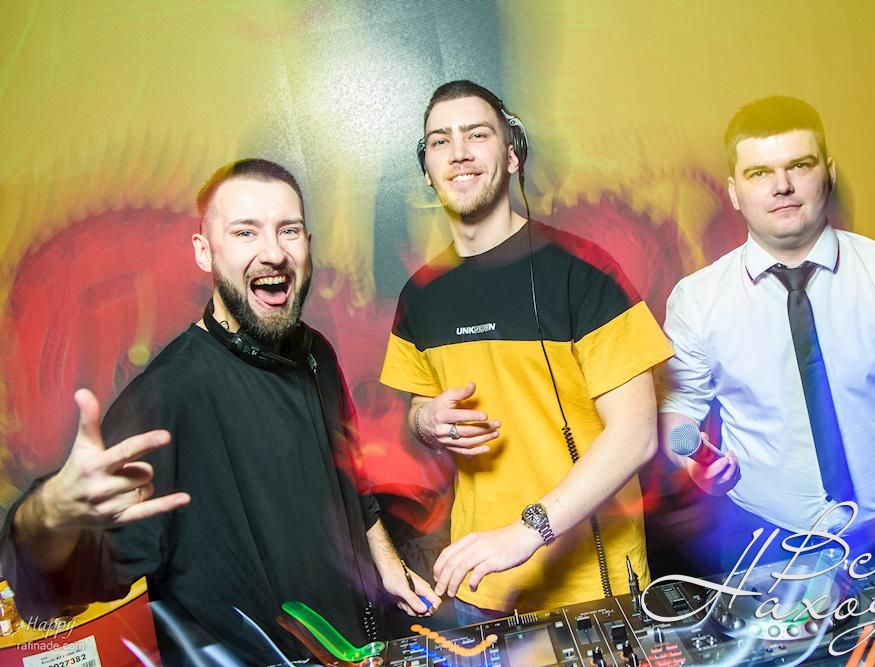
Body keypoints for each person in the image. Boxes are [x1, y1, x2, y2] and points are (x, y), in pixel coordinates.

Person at [0, 159, 439, 665]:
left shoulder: (316, 352)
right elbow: (50, 593)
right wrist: (46, 515)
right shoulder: (165, 397)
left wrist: (387, 562)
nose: (273, 252)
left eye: (288, 230)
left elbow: (352, 482)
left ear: (307, 243)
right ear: (204, 251)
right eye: (245, 232)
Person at [659, 96, 875, 570]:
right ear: (734, 192)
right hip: (758, 541)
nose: (782, 186)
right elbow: (679, 408)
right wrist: (693, 462)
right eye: (759, 172)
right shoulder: (696, 300)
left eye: (799, 165)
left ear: (829, 173)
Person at [379, 80, 673, 623]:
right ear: (427, 170)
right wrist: (427, 421)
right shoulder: (419, 295)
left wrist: (525, 532)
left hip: (592, 588)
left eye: (477, 134)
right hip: (479, 586)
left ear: (513, 154)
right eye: (440, 141)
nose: (459, 152)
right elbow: (416, 412)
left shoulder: (586, 272)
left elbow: (635, 434)